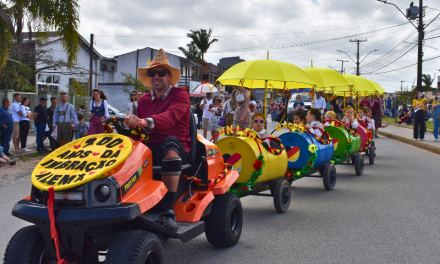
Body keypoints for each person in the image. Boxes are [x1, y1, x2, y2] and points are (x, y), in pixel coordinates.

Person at [125, 48, 191, 231]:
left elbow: (170, 117)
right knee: (125, 147)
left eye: (161, 72)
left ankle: (168, 210)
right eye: (152, 73)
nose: (156, 76)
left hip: (178, 147)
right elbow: (138, 131)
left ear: (169, 76)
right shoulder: (144, 100)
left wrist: (145, 121)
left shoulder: (181, 95)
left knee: (169, 143)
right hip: (150, 146)